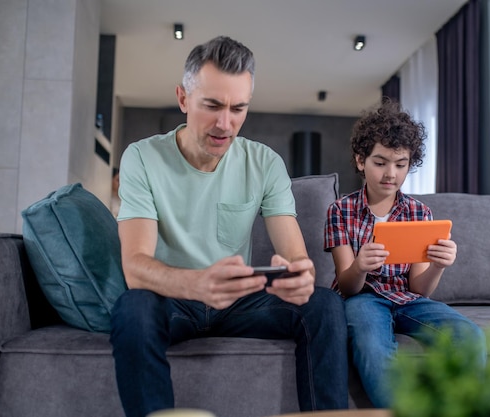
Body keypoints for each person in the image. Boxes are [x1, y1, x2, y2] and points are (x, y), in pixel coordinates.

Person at [110, 36, 348, 417]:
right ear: (183, 98)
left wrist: (300, 276)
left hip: (240, 303)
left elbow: (295, 256)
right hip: (174, 300)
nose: (226, 123)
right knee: (132, 308)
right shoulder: (142, 157)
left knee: (324, 305)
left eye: (239, 108)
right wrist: (196, 283)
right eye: (213, 106)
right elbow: (135, 265)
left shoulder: (264, 163)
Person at [324, 99, 486, 408]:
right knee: (372, 347)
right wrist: (359, 266)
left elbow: (419, 289)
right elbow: (346, 286)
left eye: (401, 164)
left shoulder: (417, 211)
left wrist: (438, 265)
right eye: (380, 162)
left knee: (469, 337)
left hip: (407, 299)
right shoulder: (340, 210)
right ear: (361, 161)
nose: (391, 174)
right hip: (362, 298)